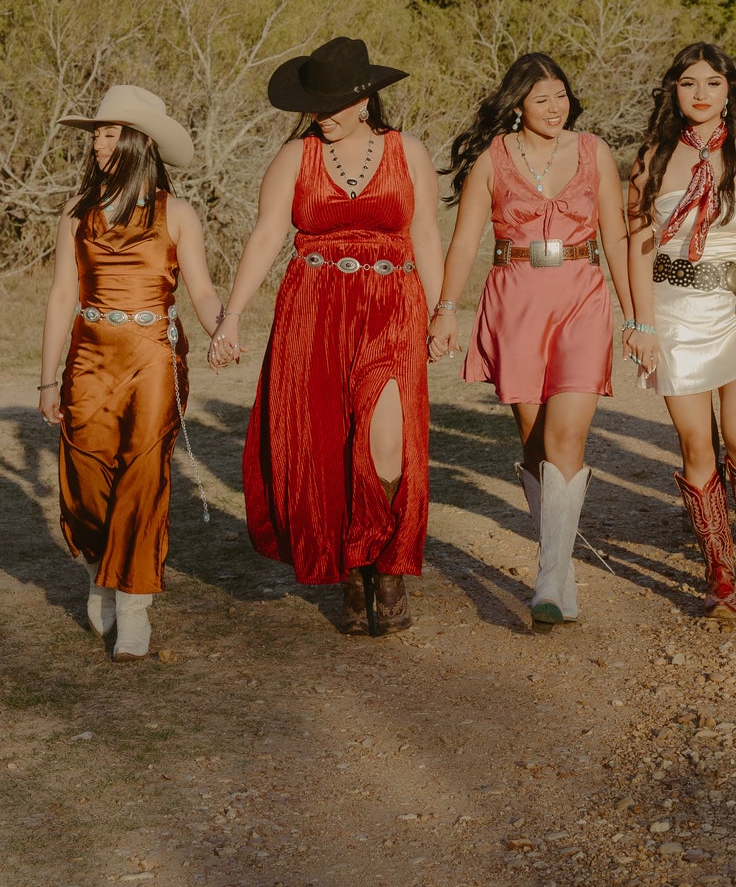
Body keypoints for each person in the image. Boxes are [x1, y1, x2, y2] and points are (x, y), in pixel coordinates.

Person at [213, 36, 444, 638]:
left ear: (367, 97)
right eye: (317, 102)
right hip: (312, 309)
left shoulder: (407, 151)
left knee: (385, 440)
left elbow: (425, 234)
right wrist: (231, 316)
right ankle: (349, 570)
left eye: (337, 101)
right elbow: (267, 236)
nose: (325, 112)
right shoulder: (295, 158)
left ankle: (384, 563)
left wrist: (445, 310)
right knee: (325, 442)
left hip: (392, 306)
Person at [432, 53, 632, 627]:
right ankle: (561, 570)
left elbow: (616, 239)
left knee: (568, 434)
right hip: (515, 297)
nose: (554, 107)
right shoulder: (492, 162)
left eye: (561, 95)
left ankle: (547, 574)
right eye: (541, 98)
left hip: (582, 295)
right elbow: (465, 242)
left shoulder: (595, 153)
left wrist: (637, 316)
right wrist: (446, 310)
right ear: (518, 102)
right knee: (535, 441)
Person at [40, 85, 223, 661]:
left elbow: (202, 289)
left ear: (140, 141)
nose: (97, 141)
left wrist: (225, 326)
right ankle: (103, 571)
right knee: (87, 475)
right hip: (90, 352)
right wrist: (47, 379)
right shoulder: (75, 212)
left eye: (110, 131)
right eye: (95, 132)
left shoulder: (178, 213)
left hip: (152, 355)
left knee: (144, 474)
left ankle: (135, 603)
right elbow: (61, 294)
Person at [625, 43, 736, 619]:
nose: (700, 93)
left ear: (731, 91)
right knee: (697, 445)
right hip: (675, 314)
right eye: (687, 83)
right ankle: (718, 566)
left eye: (712, 83)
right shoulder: (651, 159)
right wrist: (640, 324)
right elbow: (637, 245)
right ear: (672, 91)